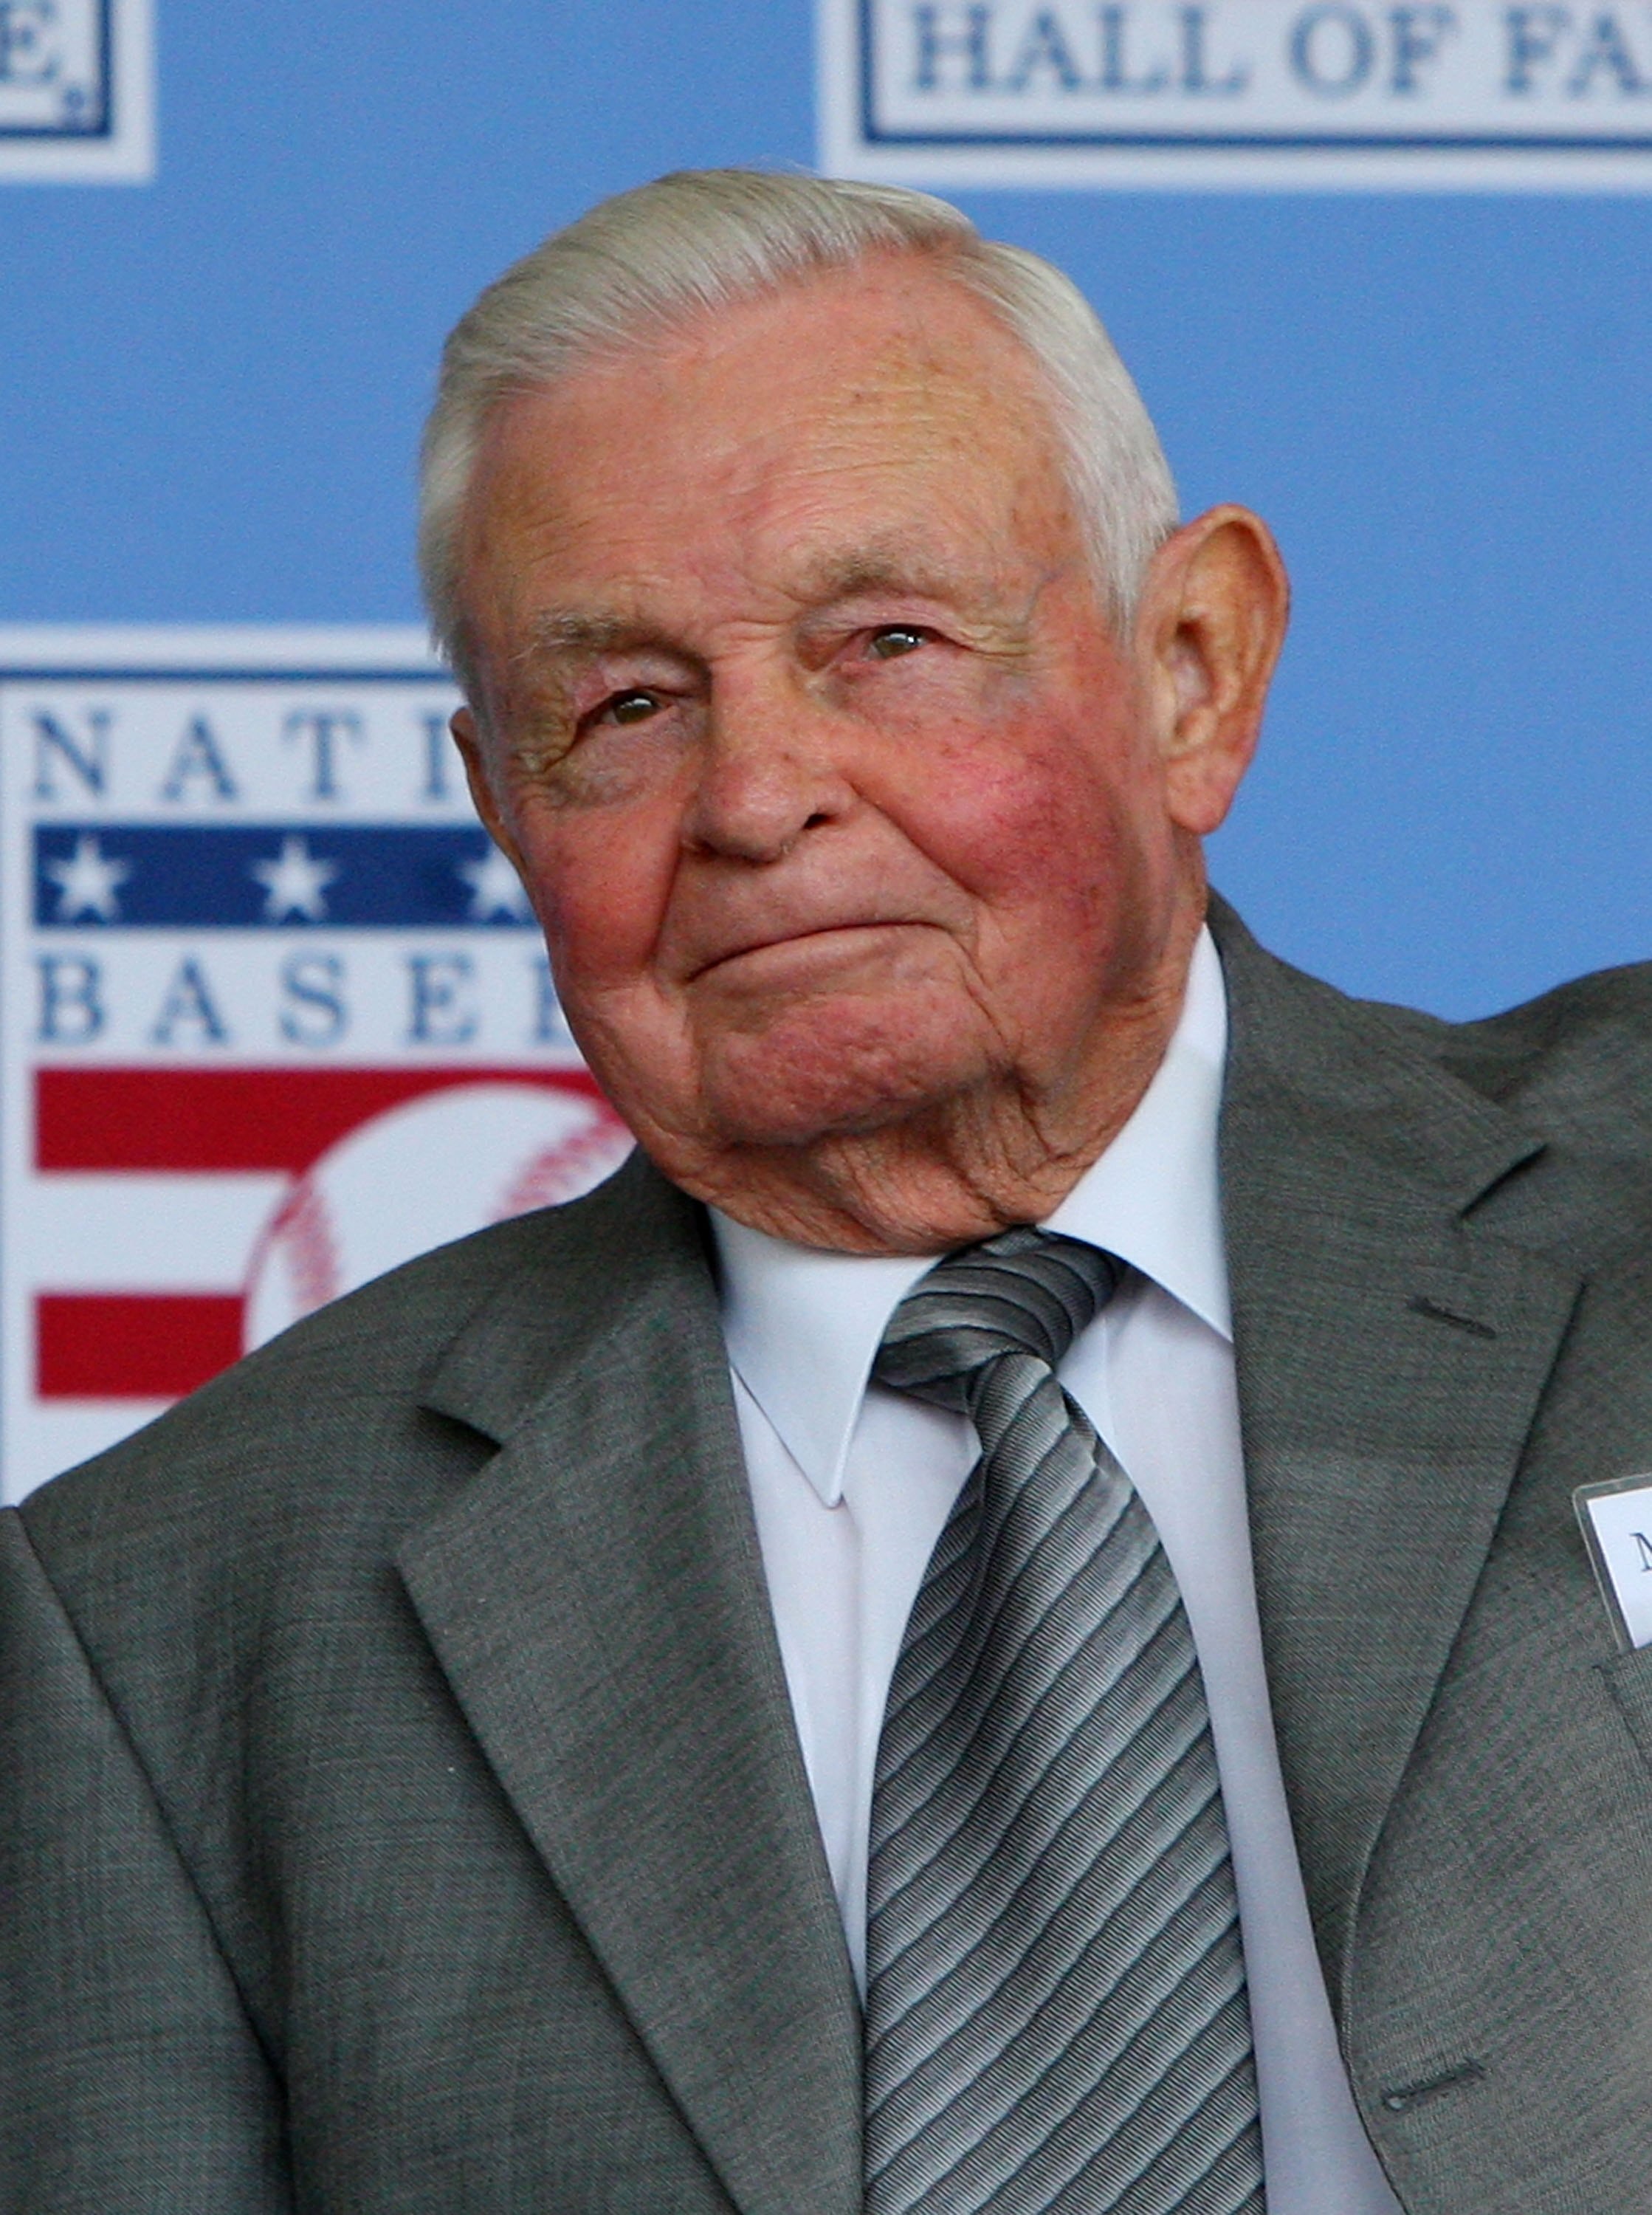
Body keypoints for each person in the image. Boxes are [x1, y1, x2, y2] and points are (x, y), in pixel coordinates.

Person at [4, 168, 1651, 2215]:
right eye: (622, 708)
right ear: (502, 807)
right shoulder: (168, 1619)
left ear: (1194, 670)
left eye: (887, 641)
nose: (757, 796)